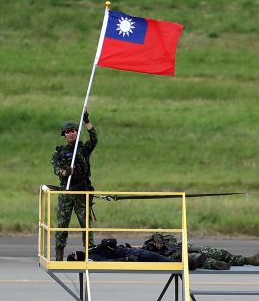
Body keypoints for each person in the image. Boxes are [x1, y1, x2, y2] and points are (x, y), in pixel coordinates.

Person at [51, 111, 97, 261]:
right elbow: (56, 170)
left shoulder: (83, 149)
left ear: (77, 133)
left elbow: (94, 139)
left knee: (85, 225)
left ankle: (91, 254)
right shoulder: (60, 153)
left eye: (74, 131)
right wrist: (66, 172)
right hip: (67, 192)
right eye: (68, 132)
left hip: (82, 192)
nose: (71, 134)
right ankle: (59, 256)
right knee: (62, 224)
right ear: (64, 135)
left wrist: (87, 121)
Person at [142, 232, 259, 270]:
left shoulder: (161, 239)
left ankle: (249, 260)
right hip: (175, 257)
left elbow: (170, 237)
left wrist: (158, 237)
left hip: (183, 247)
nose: (158, 245)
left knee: (216, 252)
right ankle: (215, 264)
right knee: (199, 258)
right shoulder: (147, 249)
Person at [67, 238, 177, 263]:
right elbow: (108, 262)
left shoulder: (90, 249)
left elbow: (113, 241)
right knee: (154, 256)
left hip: (126, 249)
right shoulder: (91, 259)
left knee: (158, 253)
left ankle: (176, 258)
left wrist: (105, 243)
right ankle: (176, 263)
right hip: (128, 253)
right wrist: (125, 259)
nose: (75, 253)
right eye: (74, 256)